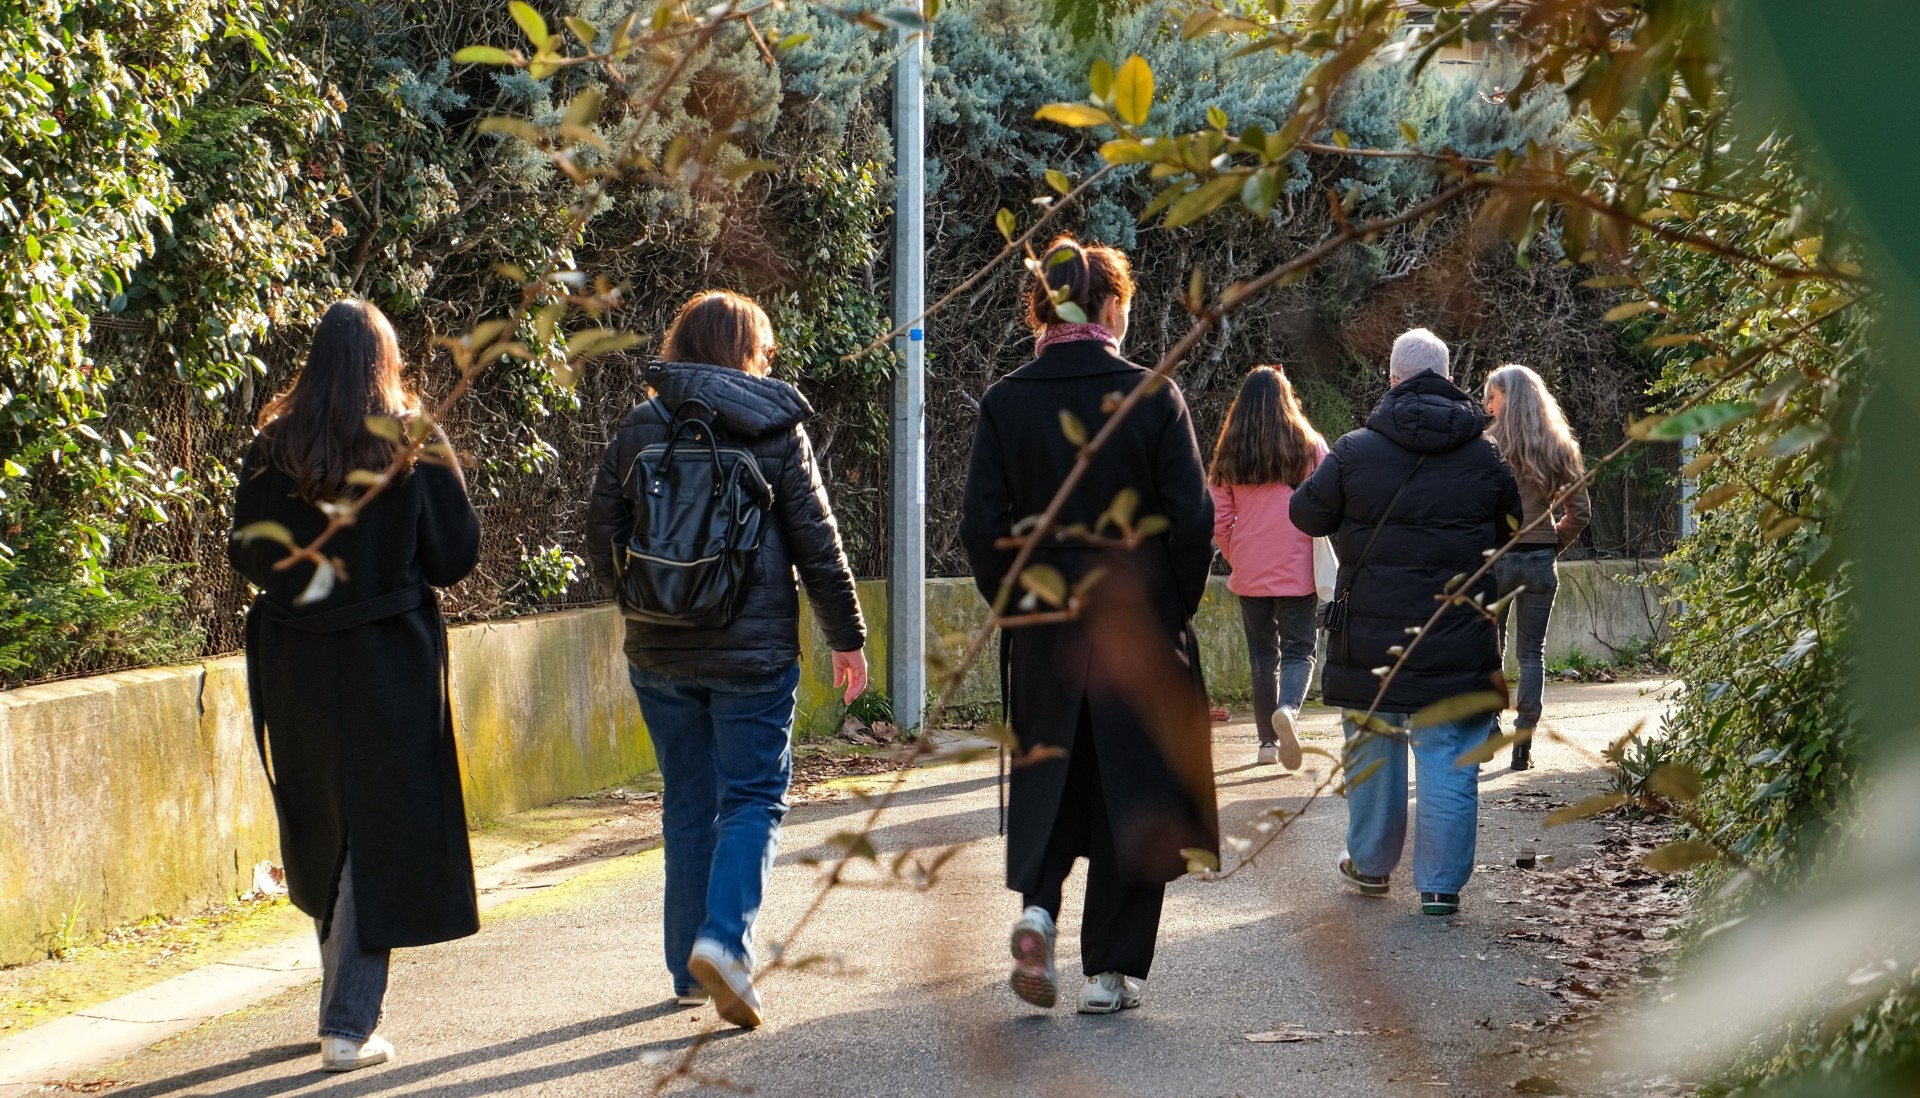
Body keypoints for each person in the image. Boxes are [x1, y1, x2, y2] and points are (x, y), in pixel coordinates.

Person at [586, 290, 868, 1030]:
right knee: (751, 799)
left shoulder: (640, 426)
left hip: (659, 650)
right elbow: (818, 543)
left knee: (687, 802)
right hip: (754, 651)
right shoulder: (775, 425)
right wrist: (848, 637)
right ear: (752, 351)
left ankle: (689, 969)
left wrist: (640, 603)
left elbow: (600, 532)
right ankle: (725, 942)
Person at [960, 236, 1218, 1015]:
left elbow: (980, 525)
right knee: (1132, 790)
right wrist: (1169, 612)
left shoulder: (1007, 400)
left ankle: (1038, 909)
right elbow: (1193, 520)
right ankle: (1109, 975)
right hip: (1136, 621)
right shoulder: (1152, 393)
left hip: (1045, 623)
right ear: (1111, 307)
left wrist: (1018, 604)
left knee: (1053, 774)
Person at [228, 299, 481, 1073]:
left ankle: (342, 1003)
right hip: (387, 659)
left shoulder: (276, 445)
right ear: (385, 360)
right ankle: (347, 1022)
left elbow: (246, 551)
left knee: (320, 821)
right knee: (376, 830)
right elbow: (455, 555)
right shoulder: (411, 441)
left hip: (294, 658)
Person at [1290, 328, 1521, 918]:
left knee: (1372, 743)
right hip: (1455, 633)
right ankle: (1441, 886)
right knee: (1446, 748)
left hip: (1371, 634)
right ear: (1448, 378)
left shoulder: (1355, 449)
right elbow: (1509, 529)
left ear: (1392, 379)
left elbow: (1305, 513)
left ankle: (1369, 867)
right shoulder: (1484, 455)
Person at [1208, 365, 1328, 771]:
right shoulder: (1309, 446)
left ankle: (1265, 744)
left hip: (1251, 570)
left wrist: (1238, 553)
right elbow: (1329, 499)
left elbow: (1219, 521)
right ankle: (1289, 711)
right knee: (1300, 651)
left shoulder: (1229, 454)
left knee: (1262, 656)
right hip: (1298, 567)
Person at [1484, 364, 1590, 771]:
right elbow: (1578, 513)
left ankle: (1490, 726)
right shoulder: (1559, 445)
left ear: (1509, 398)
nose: (1488, 406)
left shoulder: (1487, 445)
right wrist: (1549, 547)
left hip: (1495, 559)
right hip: (1539, 559)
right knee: (1532, 652)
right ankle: (1523, 740)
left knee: (1488, 648)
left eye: (1493, 397)